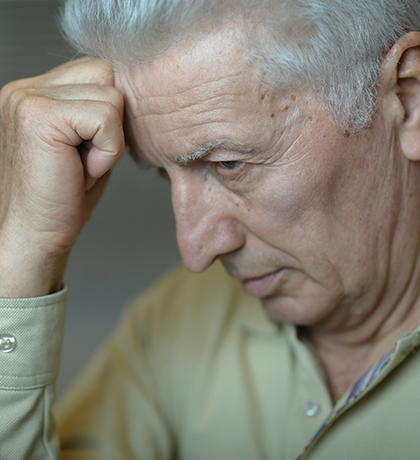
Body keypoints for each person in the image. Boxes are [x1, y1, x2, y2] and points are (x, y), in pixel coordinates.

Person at [1, 0, 420, 458]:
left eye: (229, 163)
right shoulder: (170, 322)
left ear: (408, 97)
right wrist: (25, 254)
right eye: (163, 173)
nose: (195, 252)